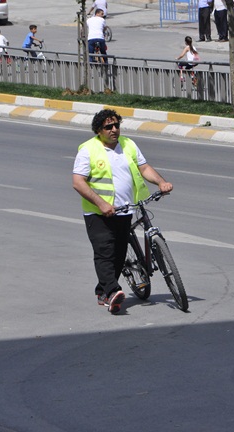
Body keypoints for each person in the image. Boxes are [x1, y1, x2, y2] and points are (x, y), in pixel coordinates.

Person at [72, 109, 173, 315]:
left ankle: (103, 291)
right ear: (98, 130)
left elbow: (144, 168)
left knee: (118, 254)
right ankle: (112, 292)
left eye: (117, 125)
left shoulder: (128, 145)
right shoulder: (88, 150)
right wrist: (101, 204)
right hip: (98, 213)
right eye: (109, 127)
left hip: (125, 210)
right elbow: (78, 183)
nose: (114, 129)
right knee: (105, 252)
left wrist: (161, 182)